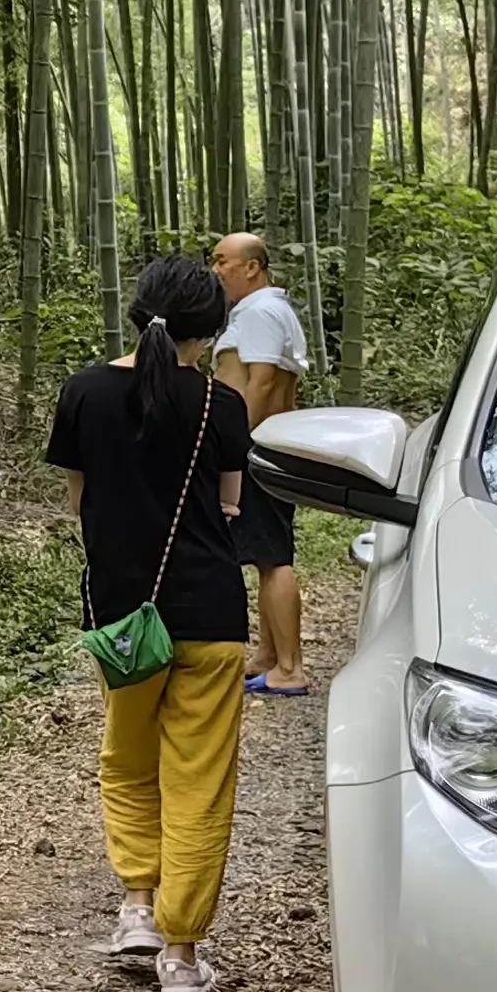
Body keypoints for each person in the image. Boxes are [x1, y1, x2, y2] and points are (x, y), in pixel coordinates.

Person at [49, 253, 253, 992]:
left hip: (123, 618)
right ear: (213, 329)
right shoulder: (222, 405)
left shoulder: (84, 392)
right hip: (209, 615)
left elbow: (80, 503)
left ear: (138, 312)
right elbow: (229, 506)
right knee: (198, 782)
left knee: (129, 760)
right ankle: (181, 956)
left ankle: (137, 907)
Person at [211, 233, 311, 694]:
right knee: (265, 553)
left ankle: (289, 668)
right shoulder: (267, 310)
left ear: (252, 267)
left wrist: (234, 443)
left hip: (257, 445)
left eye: (223, 261)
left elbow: (262, 383)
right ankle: (271, 656)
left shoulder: (259, 312)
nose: (216, 270)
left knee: (272, 557)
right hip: (268, 442)